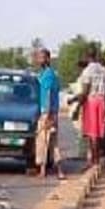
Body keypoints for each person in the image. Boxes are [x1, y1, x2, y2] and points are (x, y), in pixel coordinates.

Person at [32, 47, 64, 180]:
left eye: (41, 57)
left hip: (47, 112)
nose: (39, 60)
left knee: (43, 141)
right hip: (52, 112)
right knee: (53, 142)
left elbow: (49, 94)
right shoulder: (50, 75)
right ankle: (59, 171)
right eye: (38, 57)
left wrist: (49, 115)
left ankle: (43, 170)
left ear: (47, 59)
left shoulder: (48, 76)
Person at [75, 48, 105, 166]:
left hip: (91, 101)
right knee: (99, 132)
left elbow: (85, 91)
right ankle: (97, 158)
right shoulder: (103, 70)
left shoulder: (87, 71)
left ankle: (94, 160)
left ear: (87, 57)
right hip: (101, 100)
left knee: (92, 132)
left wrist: (77, 105)